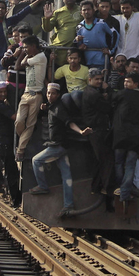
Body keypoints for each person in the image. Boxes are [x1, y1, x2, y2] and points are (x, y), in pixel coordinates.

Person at [29, 84, 92, 217]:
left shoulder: (59, 109)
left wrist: (80, 131)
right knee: (66, 175)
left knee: (36, 160)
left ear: (58, 95)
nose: (50, 96)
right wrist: (45, 107)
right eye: (48, 93)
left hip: (58, 146)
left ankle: (43, 186)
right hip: (62, 146)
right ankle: (68, 205)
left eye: (53, 94)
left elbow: (69, 123)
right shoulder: (52, 106)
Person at [111, 73, 139, 203]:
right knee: (130, 166)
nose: (125, 84)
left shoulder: (122, 94)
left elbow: (110, 101)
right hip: (136, 136)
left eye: (128, 82)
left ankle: (121, 188)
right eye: (125, 81)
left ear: (136, 84)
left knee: (118, 163)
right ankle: (125, 193)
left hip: (120, 135)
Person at [0, 0, 45, 73]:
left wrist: (39, 0)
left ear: (6, 11)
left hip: (13, 56)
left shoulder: (9, 21)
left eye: (2, 8)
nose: (0, 10)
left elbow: (24, 12)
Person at [15, 35, 47, 161]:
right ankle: (25, 139)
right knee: (19, 121)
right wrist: (25, 54)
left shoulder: (40, 57)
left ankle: (20, 149)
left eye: (26, 47)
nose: (25, 50)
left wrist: (22, 55)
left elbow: (19, 65)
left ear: (34, 46)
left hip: (36, 95)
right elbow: (18, 66)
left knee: (30, 124)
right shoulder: (31, 57)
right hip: (26, 94)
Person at [0, 82, 21, 207]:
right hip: (4, 143)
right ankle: (15, 200)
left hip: (2, 142)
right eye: (0, 92)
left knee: (10, 170)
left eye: (5, 91)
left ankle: (13, 196)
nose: (3, 94)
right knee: (11, 171)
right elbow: (15, 117)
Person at [42, 0, 83, 68]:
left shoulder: (81, 10)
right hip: (59, 50)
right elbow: (47, 29)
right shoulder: (57, 13)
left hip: (75, 50)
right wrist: (47, 18)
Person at [74, 0, 116, 69]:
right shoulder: (79, 26)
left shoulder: (101, 22)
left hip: (102, 61)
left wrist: (111, 50)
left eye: (89, 9)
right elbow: (79, 44)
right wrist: (79, 45)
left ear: (93, 11)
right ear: (81, 12)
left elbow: (115, 34)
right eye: (84, 10)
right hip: (87, 62)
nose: (87, 12)